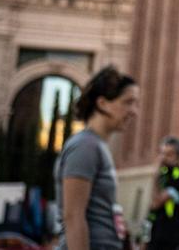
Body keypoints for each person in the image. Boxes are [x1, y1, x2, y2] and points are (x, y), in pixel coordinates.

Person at [54, 66, 140, 250]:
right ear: (102, 103)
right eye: (128, 102)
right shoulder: (85, 146)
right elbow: (73, 216)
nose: (134, 111)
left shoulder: (97, 146)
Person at [146, 136, 179, 250]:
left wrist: (155, 174)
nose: (163, 158)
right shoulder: (163, 174)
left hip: (170, 236)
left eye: (168, 154)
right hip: (156, 234)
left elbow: (157, 202)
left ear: (177, 156)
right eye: (162, 153)